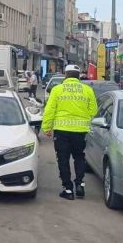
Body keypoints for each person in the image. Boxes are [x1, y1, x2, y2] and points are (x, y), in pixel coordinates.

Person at [42, 64, 98, 200]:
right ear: (78, 76)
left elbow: (50, 110)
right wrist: (83, 117)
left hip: (62, 131)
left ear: (65, 75)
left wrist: (46, 127)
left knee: (63, 159)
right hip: (80, 131)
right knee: (79, 157)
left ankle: (68, 189)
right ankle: (80, 184)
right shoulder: (87, 90)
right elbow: (94, 110)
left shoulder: (57, 89)